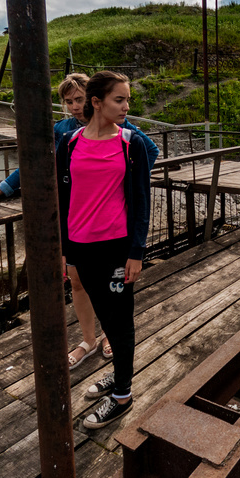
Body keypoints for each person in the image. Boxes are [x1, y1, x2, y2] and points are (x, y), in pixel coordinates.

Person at [0, 73, 158, 365]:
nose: (73, 106)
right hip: (78, 228)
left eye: (79, 99)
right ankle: (88, 339)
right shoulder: (65, 133)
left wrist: (126, 181)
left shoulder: (123, 129)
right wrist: (2, 188)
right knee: (78, 283)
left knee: (114, 290)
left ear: (93, 100)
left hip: (110, 230)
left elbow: (150, 152)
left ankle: (110, 335)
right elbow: (40, 166)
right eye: (68, 101)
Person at [57, 70, 150, 429]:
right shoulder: (70, 143)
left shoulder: (131, 143)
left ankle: (123, 395)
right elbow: (65, 199)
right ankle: (119, 374)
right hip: (81, 246)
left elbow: (142, 200)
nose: (127, 106)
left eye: (127, 99)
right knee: (101, 312)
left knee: (119, 322)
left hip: (116, 248)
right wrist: (66, 251)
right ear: (97, 103)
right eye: (120, 99)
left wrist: (136, 252)